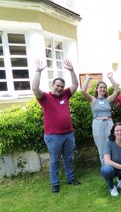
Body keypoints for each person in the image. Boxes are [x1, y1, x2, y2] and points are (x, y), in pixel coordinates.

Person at [32, 59, 80, 193]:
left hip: (68, 134)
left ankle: (70, 179)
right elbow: (35, 88)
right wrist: (38, 71)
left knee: (69, 158)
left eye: (61, 86)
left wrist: (71, 70)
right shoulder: (45, 97)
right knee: (55, 161)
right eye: (57, 85)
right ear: (52, 85)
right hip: (53, 136)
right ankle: (55, 183)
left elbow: (75, 84)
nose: (59, 88)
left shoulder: (65, 95)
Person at [81, 73, 119, 165]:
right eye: (100, 87)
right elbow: (83, 91)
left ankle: (114, 166)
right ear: (97, 89)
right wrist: (87, 78)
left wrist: (111, 78)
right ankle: (105, 167)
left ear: (106, 90)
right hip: (98, 124)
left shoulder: (108, 99)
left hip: (109, 123)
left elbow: (116, 90)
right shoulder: (93, 100)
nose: (102, 89)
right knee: (101, 146)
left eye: (104, 87)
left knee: (112, 143)